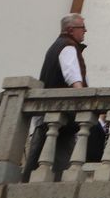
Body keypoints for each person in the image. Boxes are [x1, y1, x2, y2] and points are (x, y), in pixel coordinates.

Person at [31, 13, 88, 177]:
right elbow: (73, 75)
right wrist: (83, 99)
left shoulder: (56, 46)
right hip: (61, 114)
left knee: (39, 157)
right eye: (82, 27)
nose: (85, 31)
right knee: (58, 160)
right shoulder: (68, 46)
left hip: (46, 113)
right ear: (70, 29)